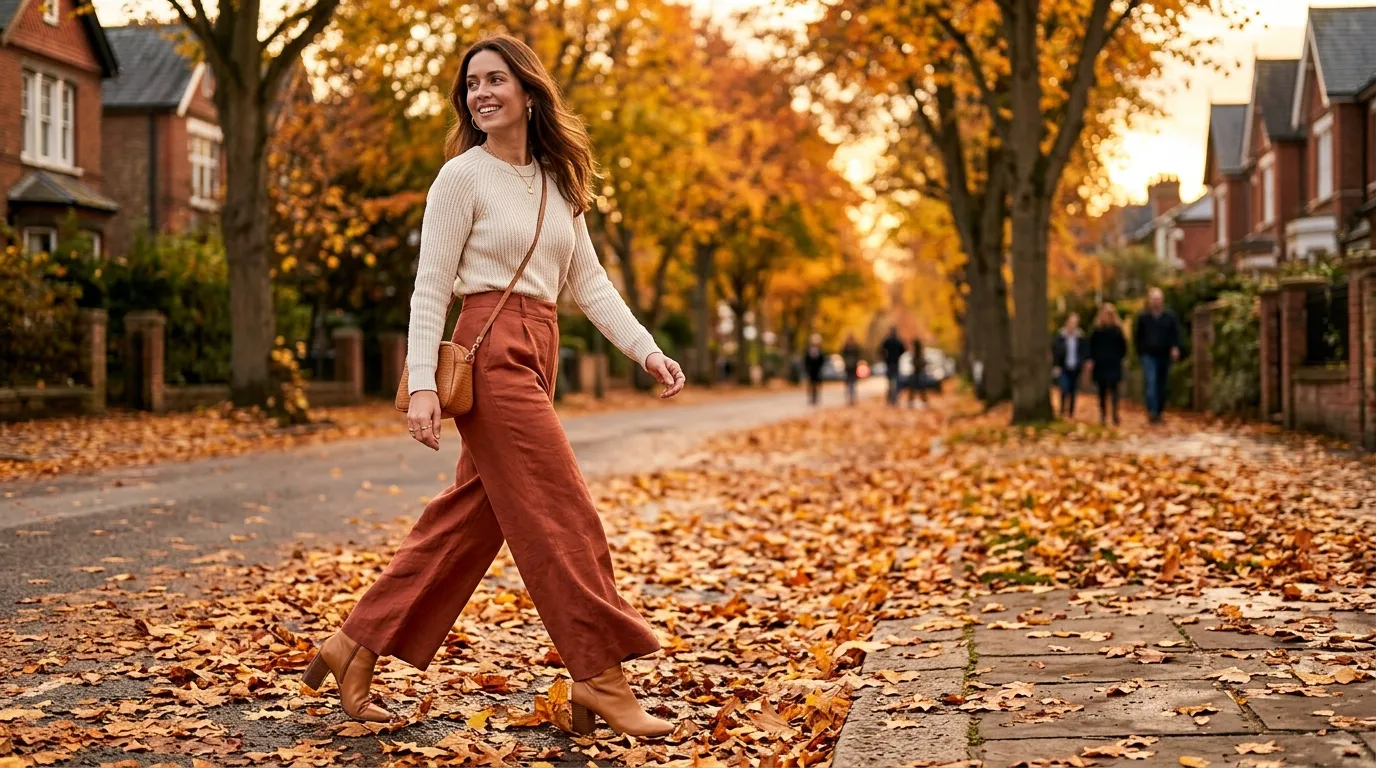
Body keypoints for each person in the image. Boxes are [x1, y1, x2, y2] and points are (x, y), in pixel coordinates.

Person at [301, 35, 684, 737]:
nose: (481, 93)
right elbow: (430, 289)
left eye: (495, 80)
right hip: (490, 351)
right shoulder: (461, 178)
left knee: (470, 521)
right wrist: (423, 385)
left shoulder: (557, 183)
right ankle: (600, 675)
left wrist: (646, 350)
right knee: (562, 509)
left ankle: (355, 643)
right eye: (471, 83)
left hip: (539, 349)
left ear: (529, 93)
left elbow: (589, 284)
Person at [1134, 287, 1181, 424]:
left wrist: (1175, 347)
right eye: (1154, 299)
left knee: (1161, 384)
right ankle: (1152, 411)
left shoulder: (1169, 316)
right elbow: (1138, 337)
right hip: (1149, 355)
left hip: (1164, 355)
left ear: (1162, 300)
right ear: (1149, 300)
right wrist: (1141, 352)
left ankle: (1159, 412)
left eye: (1158, 299)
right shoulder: (1143, 317)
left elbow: (1175, 334)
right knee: (1151, 382)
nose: (1156, 301)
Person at [1087, 303, 1128, 426]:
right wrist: (1091, 359)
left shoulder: (1117, 330)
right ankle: (1103, 414)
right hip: (1100, 364)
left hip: (1114, 363)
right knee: (1102, 390)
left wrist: (1119, 357)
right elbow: (1091, 346)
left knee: (1114, 390)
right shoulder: (1096, 331)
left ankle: (1115, 413)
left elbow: (1123, 346)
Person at [1051, 313, 1085, 418]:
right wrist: (1056, 365)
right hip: (1063, 366)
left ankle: (1071, 412)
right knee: (1064, 388)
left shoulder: (1080, 337)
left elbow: (1083, 351)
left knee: (1073, 390)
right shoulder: (1060, 336)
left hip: (1075, 366)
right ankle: (1062, 410)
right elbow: (1055, 351)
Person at [880, 327, 906, 406]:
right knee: (894, 383)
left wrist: (885, 358)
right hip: (895, 364)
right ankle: (894, 400)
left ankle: (890, 400)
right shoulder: (897, 341)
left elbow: (880, 349)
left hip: (890, 364)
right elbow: (903, 350)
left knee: (891, 384)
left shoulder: (887, 341)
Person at [906, 336, 929, 409]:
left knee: (916, 388)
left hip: (918, 373)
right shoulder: (918, 353)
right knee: (917, 388)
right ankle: (916, 402)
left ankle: (915, 402)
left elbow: (922, 362)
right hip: (917, 373)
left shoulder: (918, 353)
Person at [803, 333, 826, 406]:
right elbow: (806, 360)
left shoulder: (820, 351)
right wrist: (807, 368)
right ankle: (811, 398)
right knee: (811, 384)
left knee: (817, 385)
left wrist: (820, 368)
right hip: (811, 370)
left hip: (818, 370)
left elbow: (822, 360)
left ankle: (816, 397)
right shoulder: (808, 351)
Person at [841, 334, 862, 406]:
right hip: (848, 369)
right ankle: (849, 399)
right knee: (848, 385)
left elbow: (859, 356)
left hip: (853, 369)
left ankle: (853, 399)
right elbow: (843, 356)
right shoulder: (845, 348)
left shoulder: (855, 349)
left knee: (853, 385)